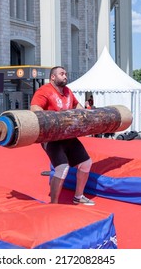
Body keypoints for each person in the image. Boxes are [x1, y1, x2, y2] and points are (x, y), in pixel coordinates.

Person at [30, 66, 95, 205]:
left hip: (68, 135)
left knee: (86, 164)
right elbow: (35, 109)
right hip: (51, 138)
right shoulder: (44, 91)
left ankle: (78, 196)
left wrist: (87, 117)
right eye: (62, 74)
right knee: (62, 167)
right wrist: (53, 119)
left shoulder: (68, 91)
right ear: (53, 77)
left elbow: (77, 106)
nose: (65, 76)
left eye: (65, 73)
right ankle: (53, 204)